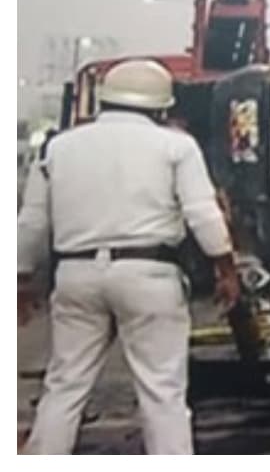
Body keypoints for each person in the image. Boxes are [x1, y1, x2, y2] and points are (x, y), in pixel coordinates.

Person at [17, 59, 241, 455]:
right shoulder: (176, 146)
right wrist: (225, 267)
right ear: (161, 107)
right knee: (162, 394)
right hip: (149, 275)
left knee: (65, 387)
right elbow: (202, 212)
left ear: (105, 100)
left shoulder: (59, 147)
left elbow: (33, 221)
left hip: (76, 274)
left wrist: (20, 279)